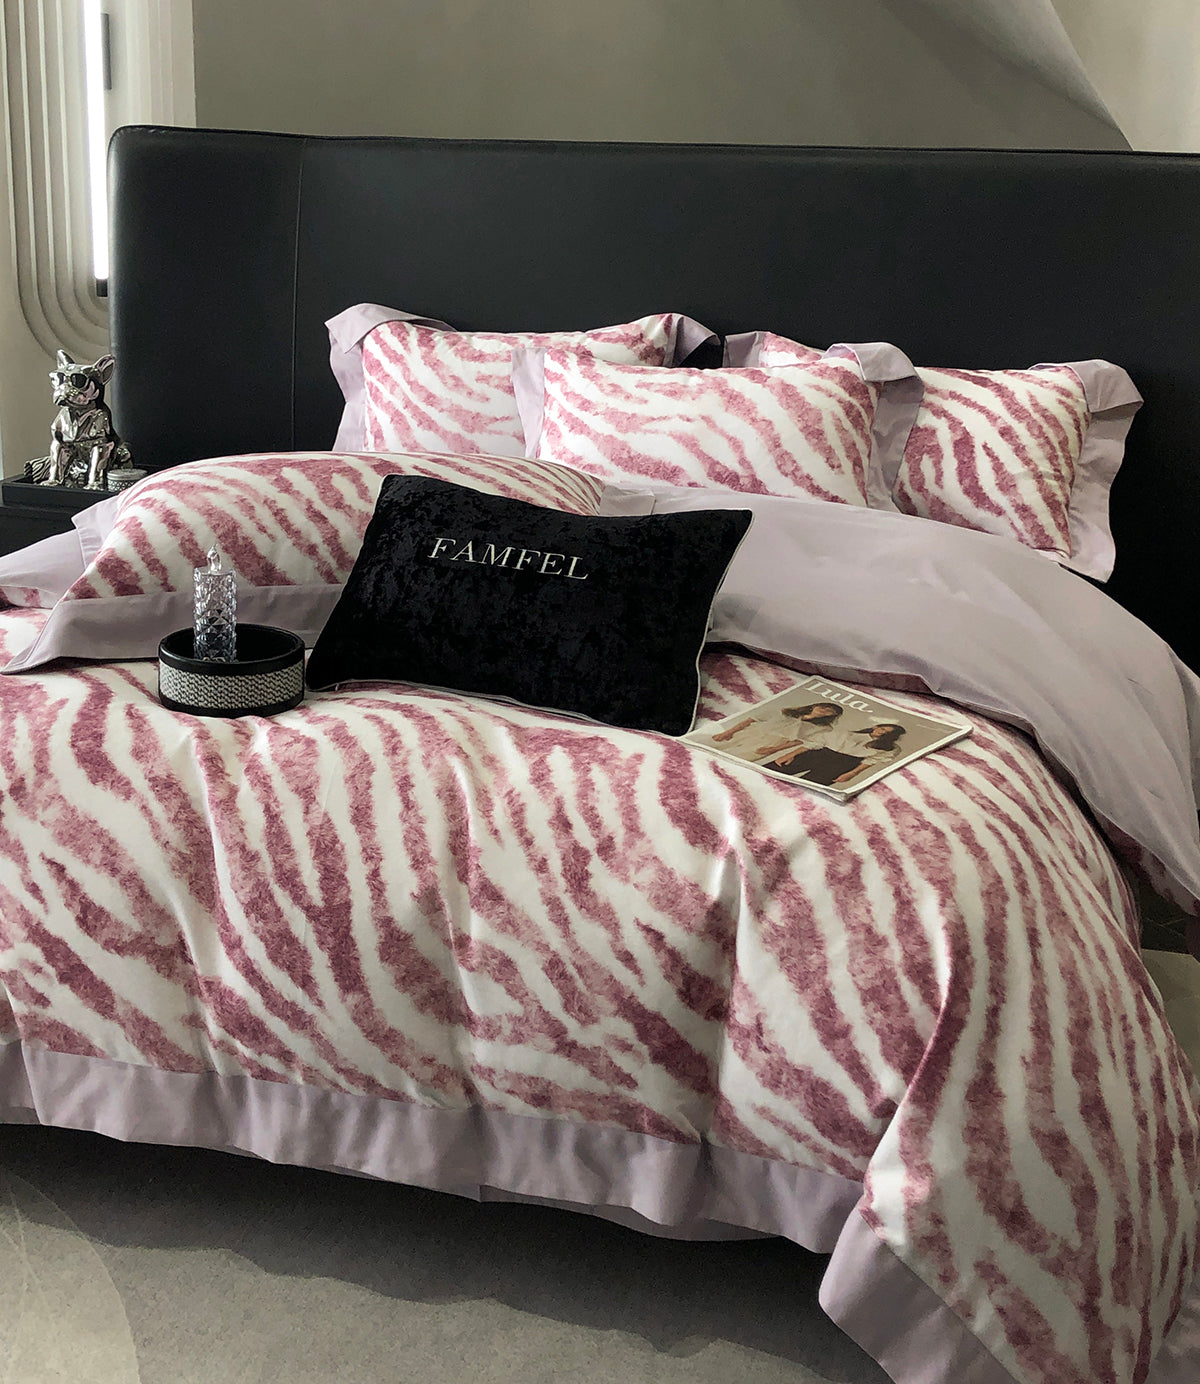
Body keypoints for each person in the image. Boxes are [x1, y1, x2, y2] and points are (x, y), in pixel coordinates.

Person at [771, 722, 907, 787]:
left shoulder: (890, 748)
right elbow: (817, 743)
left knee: (805, 788)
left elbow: (871, 761)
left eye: (888, 733)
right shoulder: (847, 733)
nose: (882, 732)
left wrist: (852, 773)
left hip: (843, 765)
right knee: (773, 772)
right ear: (876, 726)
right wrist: (791, 754)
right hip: (817, 755)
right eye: (882, 728)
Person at [708, 701, 844, 759]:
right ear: (815, 706)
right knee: (713, 749)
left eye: (829, 711)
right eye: (823, 707)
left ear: (832, 716)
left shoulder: (824, 728)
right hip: (751, 732)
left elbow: (801, 741)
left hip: (773, 742)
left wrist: (774, 749)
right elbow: (752, 719)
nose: (824, 711)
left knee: (739, 758)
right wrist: (728, 732)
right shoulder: (787, 711)